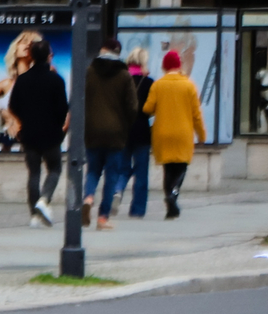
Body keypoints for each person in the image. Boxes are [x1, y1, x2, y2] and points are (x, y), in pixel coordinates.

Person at [6, 36, 70, 226]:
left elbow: (13, 106)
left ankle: (34, 214)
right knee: (55, 169)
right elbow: (62, 108)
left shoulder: (22, 80)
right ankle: (44, 199)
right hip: (51, 133)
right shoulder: (56, 80)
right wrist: (59, 126)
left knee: (33, 173)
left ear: (31, 56)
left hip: (29, 133)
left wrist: (25, 121)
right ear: (49, 56)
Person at [144, 46, 206, 220]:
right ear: (179, 66)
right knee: (181, 167)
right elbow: (196, 114)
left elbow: (148, 108)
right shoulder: (188, 86)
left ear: (164, 66)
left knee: (167, 169)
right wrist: (201, 135)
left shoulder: (158, 85)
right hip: (183, 134)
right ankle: (173, 194)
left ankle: (170, 202)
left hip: (162, 133)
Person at [85, 39, 136, 228]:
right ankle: (102, 217)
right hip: (115, 133)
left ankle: (88, 197)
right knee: (112, 175)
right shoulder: (124, 75)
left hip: (92, 131)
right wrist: (125, 124)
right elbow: (132, 107)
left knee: (92, 171)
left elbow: (80, 99)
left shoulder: (89, 72)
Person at [125, 47, 154, 218]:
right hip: (142, 130)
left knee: (121, 168)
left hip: (124, 130)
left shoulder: (122, 80)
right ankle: (138, 209)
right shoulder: (149, 82)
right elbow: (150, 109)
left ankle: (116, 194)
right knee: (142, 172)